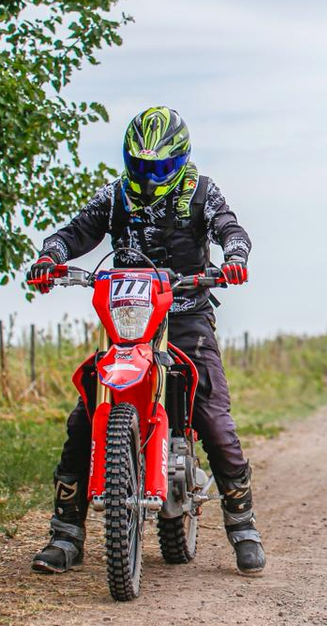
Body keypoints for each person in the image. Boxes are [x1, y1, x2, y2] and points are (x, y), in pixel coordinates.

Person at [25, 106, 265, 577]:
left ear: (179, 160)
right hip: (129, 315)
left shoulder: (202, 192)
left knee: (212, 417)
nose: (150, 177)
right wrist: (50, 255)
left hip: (186, 313)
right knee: (84, 415)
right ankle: (65, 534)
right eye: (141, 166)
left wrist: (234, 255)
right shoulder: (114, 195)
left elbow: (230, 228)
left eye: (159, 168)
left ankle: (243, 525)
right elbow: (77, 232)